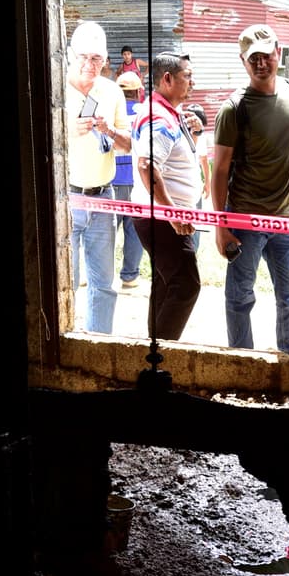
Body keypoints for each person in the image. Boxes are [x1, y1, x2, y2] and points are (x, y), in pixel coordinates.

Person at [211, 23, 289, 359]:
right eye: (253, 58)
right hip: (246, 220)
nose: (261, 63)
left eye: (266, 55)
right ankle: (243, 361)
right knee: (240, 297)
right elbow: (220, 169)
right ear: (244, 61)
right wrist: (221, 225)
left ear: (277, 53)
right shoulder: (234, 108)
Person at [130, 52, 204, 340]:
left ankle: (155, 350)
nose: (192, 82)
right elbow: (147, 165)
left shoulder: (164, 112)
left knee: (166, 283)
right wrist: (173, 213)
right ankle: (161, 356)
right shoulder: (159, 117)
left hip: (158, 215)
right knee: (186, 285)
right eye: (187, 76)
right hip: (162, 218)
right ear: (168, 79)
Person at [65, 19, 130, 334]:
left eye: (97, 59)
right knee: (65, 282)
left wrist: (110, 130)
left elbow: (129, 143)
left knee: (104, 283)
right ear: (70, 54)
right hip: (65, 197)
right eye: (83, 57)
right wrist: (64, 131)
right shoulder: (55, 88)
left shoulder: (112, 90)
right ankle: (65, 342)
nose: (90, 65)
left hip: (103, 197)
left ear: (106, 60)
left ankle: (99, 342)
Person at [113, 71, 146, 291]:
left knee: (107, 230)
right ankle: (130, 276)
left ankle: (100, 274)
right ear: (138, 91)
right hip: (137, 179)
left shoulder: (110, 110)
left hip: (113, 178)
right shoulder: (144, 112)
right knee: (134, 230)